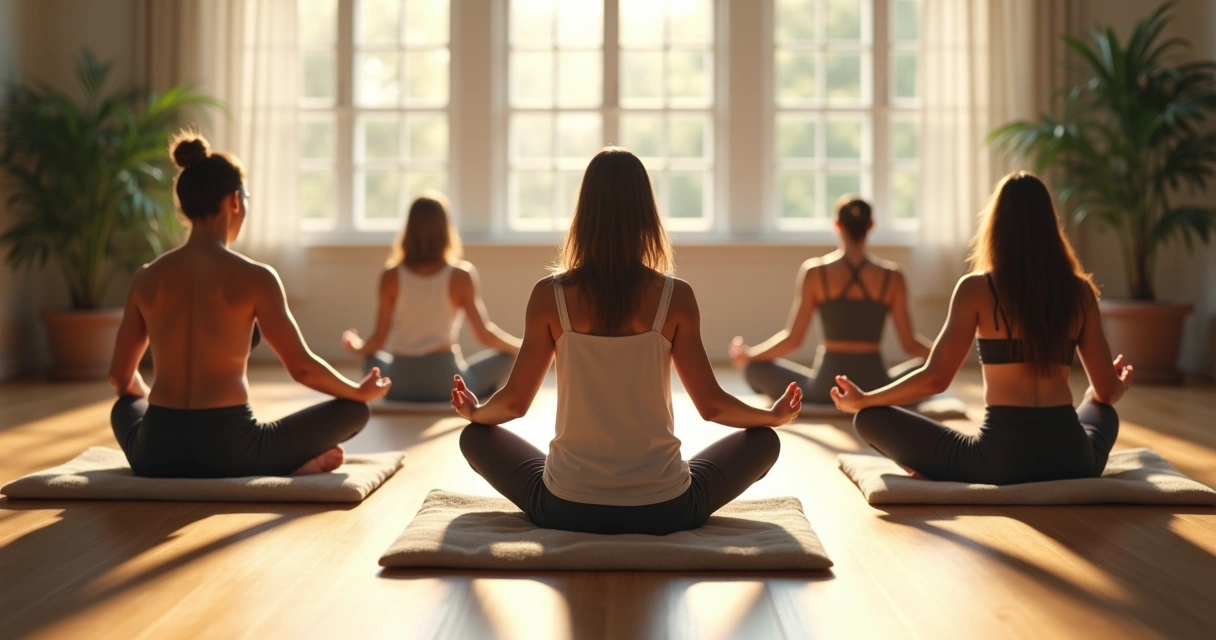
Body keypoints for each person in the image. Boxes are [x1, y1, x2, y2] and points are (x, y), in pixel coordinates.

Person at [453, 147, 803, 535]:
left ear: (583, 214)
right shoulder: (676, 296)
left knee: (475, 437)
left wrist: (476, 411)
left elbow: (515, 403)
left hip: (566, 507)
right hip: (665, 509)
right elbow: (712, 406)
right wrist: (772, 417)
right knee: (764, 442)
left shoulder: (548, 295)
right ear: (646, 214)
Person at [107, 131, 390, 478]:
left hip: (155, 455)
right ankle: (283, 462)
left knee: (123, 407)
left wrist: (156, 410)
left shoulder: (147, 277)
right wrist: (357, 392)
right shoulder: (257, 277)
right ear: (235, 202)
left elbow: (120, 377)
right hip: (232, 452)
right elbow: (301, 368)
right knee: (354, 411)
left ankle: (278, 459)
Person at [830, 172, 1132, 484]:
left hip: (998, 463)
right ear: (1050, 225)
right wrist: (1113, 385)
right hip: (1074, 460)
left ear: (996, 225)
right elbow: (1108, 392)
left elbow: (935, 379)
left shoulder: (976, 289)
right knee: (1099, 406)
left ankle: (931, 466)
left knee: (869, 419)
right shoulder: (1080, 292)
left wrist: (865, 399)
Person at [732, 196, 932, 404]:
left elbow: (793, 339)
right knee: (936, 370)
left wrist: (750, 356)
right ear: (871, 226)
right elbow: (910, 345)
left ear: (837, 225)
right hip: (878, 387)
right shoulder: (893, 276)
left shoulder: (815, 272)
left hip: (826, 387)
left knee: (753, 370)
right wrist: (947, 355)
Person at [341, 193, 520, 402]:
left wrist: (357, 347)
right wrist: (525, 348)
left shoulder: (390, 275)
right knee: (508, 357)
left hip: (398, 384)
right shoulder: (461, 275)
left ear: (408, 229)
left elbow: (378, 340)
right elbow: (485, 336)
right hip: (447, 384)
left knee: (371, 358)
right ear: (446, 229)